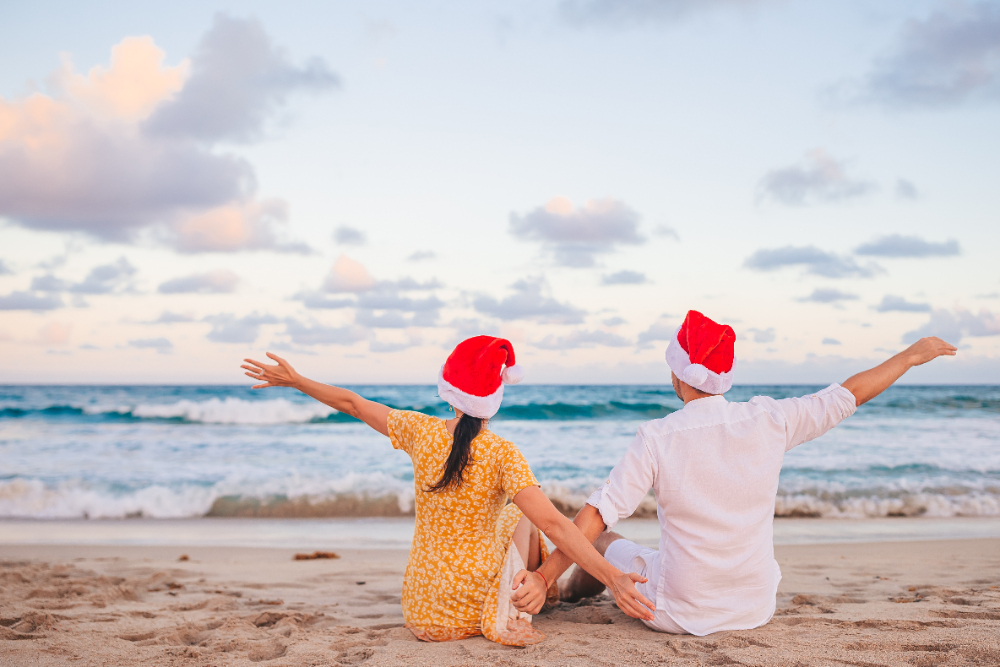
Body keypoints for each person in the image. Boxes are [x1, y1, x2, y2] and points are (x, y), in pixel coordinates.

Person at [510, 310, 957, 636]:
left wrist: (544, 576)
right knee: (638, 548)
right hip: (753, 606)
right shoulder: (770, 418)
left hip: (679, 611)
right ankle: (567, 589)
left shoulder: (657, 436)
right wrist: (910, 357)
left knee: (608, 540)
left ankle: (565, 593)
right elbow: (847, 395)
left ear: (677, 375)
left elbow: (596, 518)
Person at [241, 335, 654, 646]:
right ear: (495, 395)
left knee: (514, 514)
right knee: (523, 512)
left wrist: (297, 381)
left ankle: (544, 590)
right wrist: (614, 578)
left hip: (424, 609)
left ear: (448, 389)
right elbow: (555, 524)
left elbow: (351, 402)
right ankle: (542, 592)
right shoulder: (500, 452)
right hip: (476, 607)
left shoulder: (419, 431)